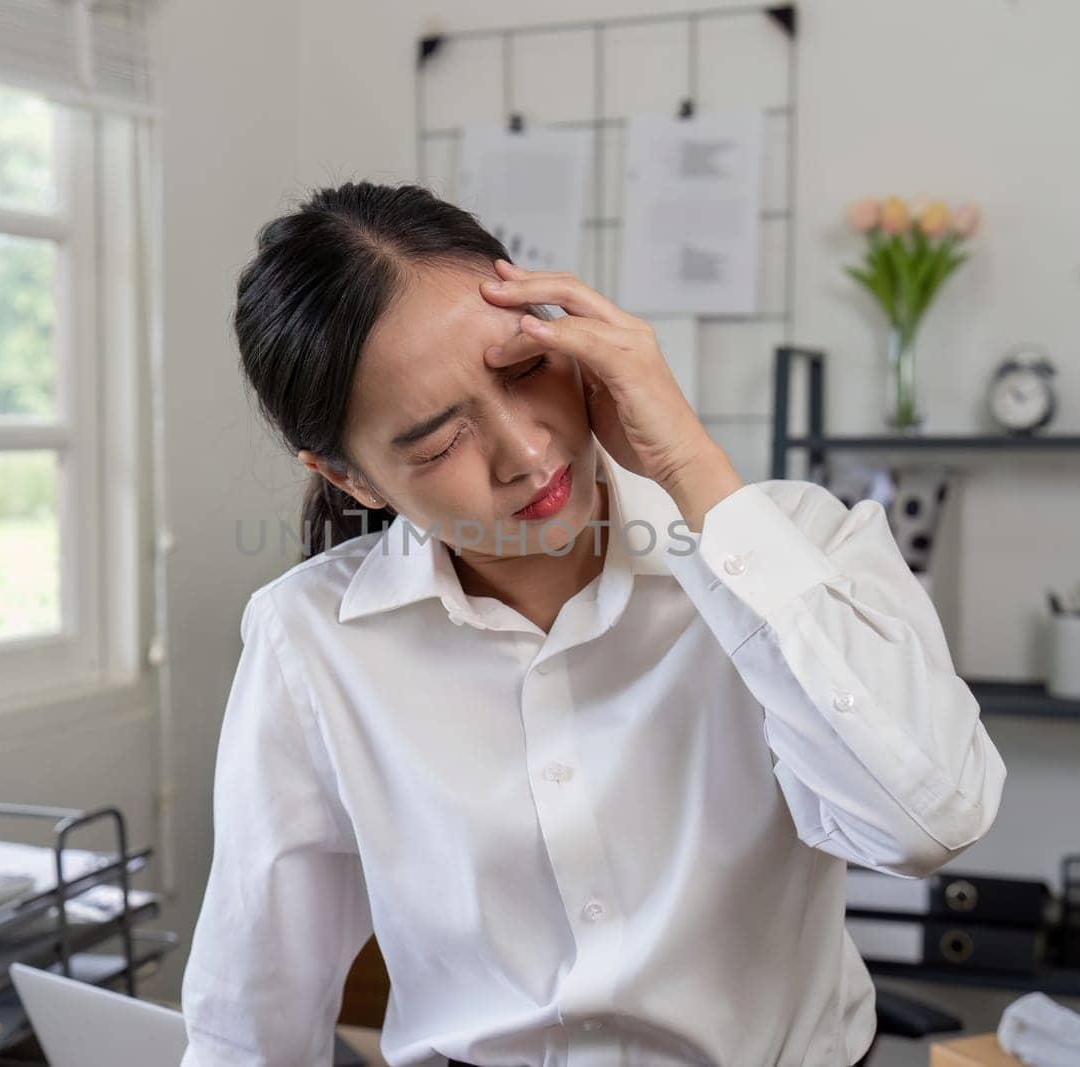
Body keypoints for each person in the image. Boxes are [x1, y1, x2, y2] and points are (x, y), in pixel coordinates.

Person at [179, 181, 1005, 1067]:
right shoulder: (308, 638)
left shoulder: (796, 545)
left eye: (525, 369)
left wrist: (690, 460)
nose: (525, 453)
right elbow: (251, 1019)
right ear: (354, 481)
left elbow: (925, 823)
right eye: (436, 443)